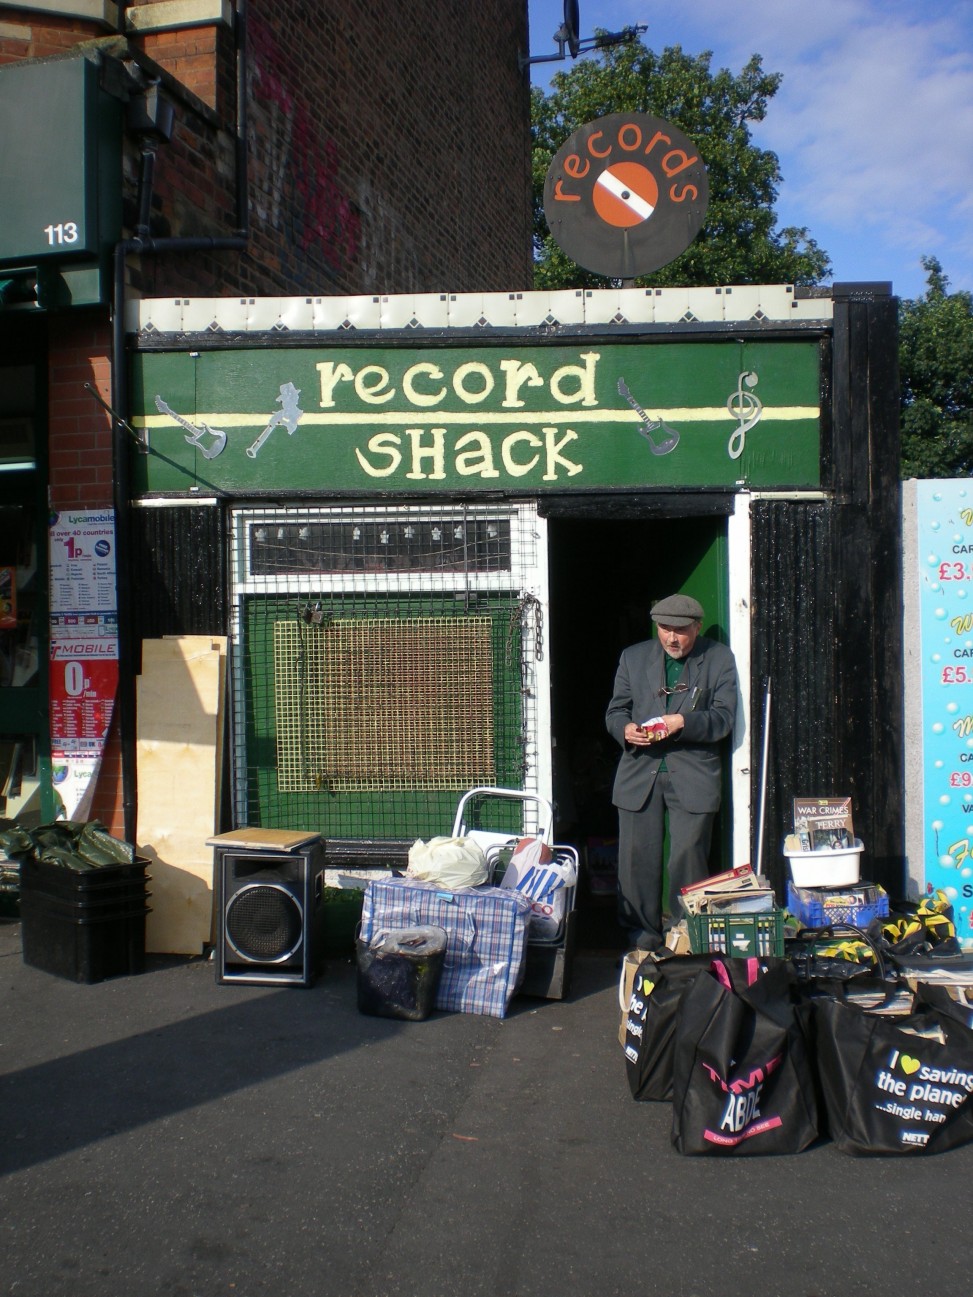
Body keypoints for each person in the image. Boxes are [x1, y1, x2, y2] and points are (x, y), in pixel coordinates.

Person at [605, 594, 739, 952]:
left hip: (693, 775)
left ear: (696, 626)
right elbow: (615, 711)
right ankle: (641, 938)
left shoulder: (719, 658)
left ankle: (684, 938)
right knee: (636, 862)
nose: (672, 638)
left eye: (680, 630)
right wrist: (625, 730)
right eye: (665, 629)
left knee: (688, 858)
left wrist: (683, 722)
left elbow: (725, 719)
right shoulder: (633, 657)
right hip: (639, 773)